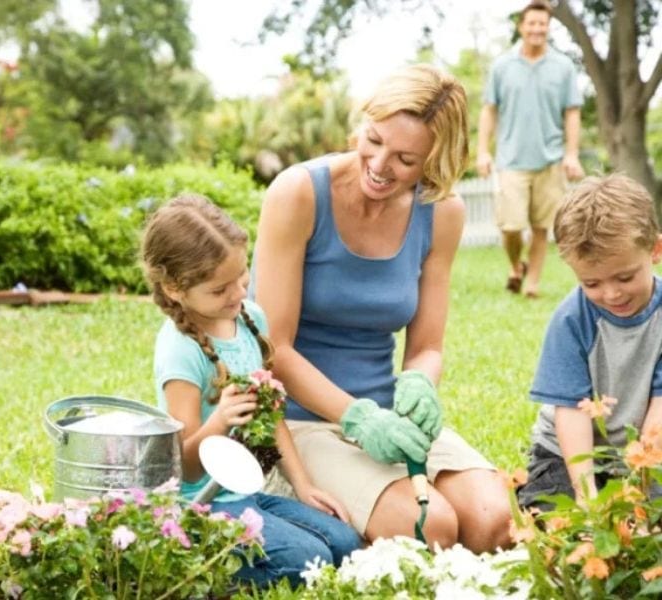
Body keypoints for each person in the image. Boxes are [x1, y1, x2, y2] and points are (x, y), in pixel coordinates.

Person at [249, 63, 513, 553]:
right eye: (373, 140)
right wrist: (358, 418)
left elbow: (427, 346)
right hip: (300, 421)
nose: (379, 164)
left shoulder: (442, 212)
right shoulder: (299, 192)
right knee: (432, 528)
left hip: (389, 418)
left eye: (405, 159)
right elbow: (273, 349)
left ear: (434, 160)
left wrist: (419, 383)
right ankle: (296, 496)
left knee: (491, 521)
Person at [141, 194, 361, 589]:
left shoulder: (249, 319)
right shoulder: (181, 349)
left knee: (344, 543)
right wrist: (221, 420)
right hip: (201, 505)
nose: (239, 293)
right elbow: (183, 467)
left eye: (242, 276)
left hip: (247, 493)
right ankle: (197, 570)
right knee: (306, 561)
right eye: (220, 289)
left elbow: (271, 415)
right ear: (174, 288)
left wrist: (304, 486)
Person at [517, 173, 662, 510]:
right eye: (592, 283)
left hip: (647, 451)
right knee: (554, 515)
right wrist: (586, 496)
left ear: (655, 250)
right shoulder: (571, 320)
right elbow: (572, 412)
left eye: (624, 277)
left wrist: (641, 485)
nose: (611, 294)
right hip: (567, 453)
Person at [477, 0, 585, 298]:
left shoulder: (563, 67)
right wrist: (483, 151)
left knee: (541, 226)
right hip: (511, 160)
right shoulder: (502, 66)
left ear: (549, 28)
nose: (537, 29)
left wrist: (571, 154)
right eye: (532, 23)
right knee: (511, 227)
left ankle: (532, 284)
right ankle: (516, 266)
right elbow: (489, 109)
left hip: (550, 159)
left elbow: (572, 112)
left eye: (543, 24)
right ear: (521, 26)